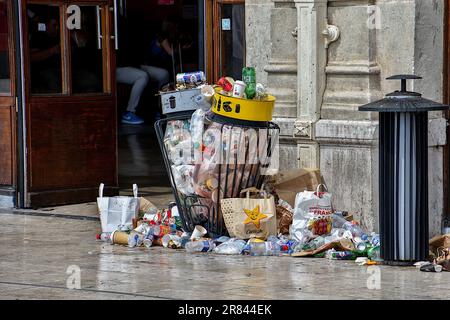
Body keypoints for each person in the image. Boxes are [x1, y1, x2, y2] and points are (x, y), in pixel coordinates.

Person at [29, 15, 62, 93]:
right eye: (54, 25)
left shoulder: (61, 36)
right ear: (46, 24)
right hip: (44, 72)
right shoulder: (37, 37)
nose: (57, 28)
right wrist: (52, 51)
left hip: (62, 70)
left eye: (58, 25)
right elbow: (32, 57)